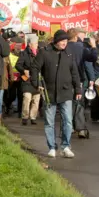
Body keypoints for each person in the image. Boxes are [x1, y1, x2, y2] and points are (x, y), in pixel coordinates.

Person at [31, 29, 81, 158]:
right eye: (62, 41)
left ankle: (66, 146)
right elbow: (34, 68)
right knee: (49, 121)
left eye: (66, 41)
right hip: (49, 92)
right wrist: (37, 84)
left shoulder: (69, 53)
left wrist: (78, 89)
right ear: (56, 41)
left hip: (66, 92)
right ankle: (52, 147)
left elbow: (74, 72)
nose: (65, 43)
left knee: (68, 121)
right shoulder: (44, 52)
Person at [16, 35, 41, 125]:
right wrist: (24, 70)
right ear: (30, 44)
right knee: (27, 97)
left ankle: (33, 117)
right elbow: (18, 65)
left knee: (36, 99)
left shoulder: (39, 53)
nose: (37, 45)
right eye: (35, 43)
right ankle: (25, 117)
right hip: (27, 80)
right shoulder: (24, 53)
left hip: (37, 80)